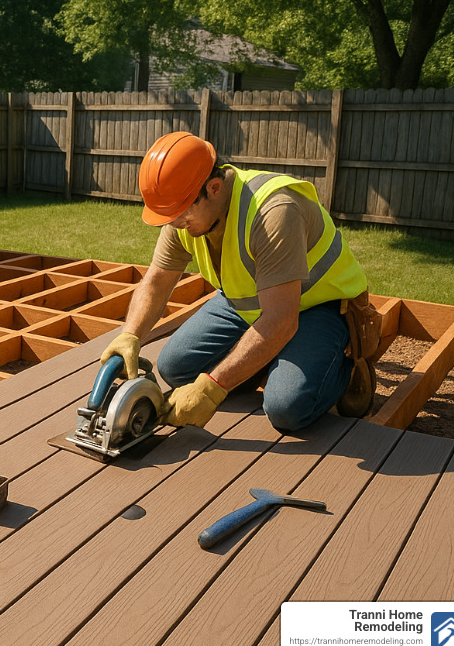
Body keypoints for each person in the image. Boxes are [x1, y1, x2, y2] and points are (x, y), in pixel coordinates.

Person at [100, 131, 376, 432]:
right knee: (175, 368)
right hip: (248, 302)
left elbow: (281, 320)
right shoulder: (184, 216)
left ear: (214, 187)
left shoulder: (273, 213)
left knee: (287, 407)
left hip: (317, 305)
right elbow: (156, 281)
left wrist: (212, 387)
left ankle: (345, 371)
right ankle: (266, 359)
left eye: (179, 213)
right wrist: (131, 335)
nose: (174, 223)